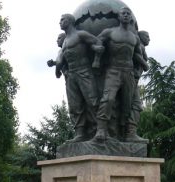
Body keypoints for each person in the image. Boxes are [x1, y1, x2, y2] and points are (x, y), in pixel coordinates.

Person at [93, 7, 148, 142]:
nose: (126, 15)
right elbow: (97, 41)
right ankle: (101, 130)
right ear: (119, 17)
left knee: (133, 104)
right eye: (123, 13)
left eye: (128, 14)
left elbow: (136, 54)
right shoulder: (109, 32)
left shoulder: (134, 37)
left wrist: (144, 64)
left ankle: (130, 133)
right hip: (113, 70)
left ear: (131, 18)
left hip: (128, 71)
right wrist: (97, 57)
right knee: (108, 99)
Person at [56, 14, 104, 142]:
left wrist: (96, 59)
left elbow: (98, 42)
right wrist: (58, 70)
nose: (59, 22)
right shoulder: (65, 40)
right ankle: (80, 133)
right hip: (71, 75)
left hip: (84, 71)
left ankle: (100, 130)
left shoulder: (80, 34)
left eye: (62, 19)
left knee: (92, 101)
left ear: (70, 21)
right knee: (75, 105)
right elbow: (61, 60)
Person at [125, 30, 150, 142]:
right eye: (147, 36)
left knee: (134, 105)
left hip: (133, 79)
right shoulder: (138, 46)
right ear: (140, 37)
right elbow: (136, 56)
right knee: (136, 105)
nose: (149, 39)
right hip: (131, 79)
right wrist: (145, 64)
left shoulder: (140, 47)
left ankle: (130, 133)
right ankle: (130, 133)